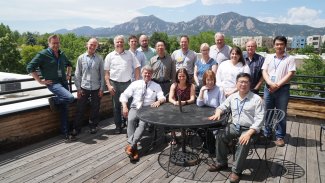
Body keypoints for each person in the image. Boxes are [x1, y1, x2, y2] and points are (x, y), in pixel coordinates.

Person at [207, 73, 265, 183]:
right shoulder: (233, 97)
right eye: (241, 82)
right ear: (237, 83)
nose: (243, 84)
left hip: (250, 130)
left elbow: (260, 119)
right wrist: (218, 112)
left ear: (250, 84)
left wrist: (249, 133)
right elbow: (222, 106)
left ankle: (236, 171)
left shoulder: (256, 99)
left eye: (246, 82)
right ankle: (221, 162)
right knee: (220, 135)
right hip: (234, 126)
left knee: (243, 141)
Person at [26, 34, 75, 140]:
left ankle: (66, 133)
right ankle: (54, 100)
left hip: (64, 83)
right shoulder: (42, 54)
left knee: (65, 108)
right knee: (70, 98)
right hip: (53, 83)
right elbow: (30, 67)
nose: (56, 45)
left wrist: (68, 74)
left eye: (58, 43)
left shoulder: (62, 54)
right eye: (54, 43)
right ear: (49, 43)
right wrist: (40, 81)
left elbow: (69, 64)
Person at [120, 65, 166, 161]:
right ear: (142, 73)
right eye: (145, 73)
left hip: (148, 109)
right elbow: (124, 94)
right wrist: (124, 106)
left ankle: (132, 146)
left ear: (152, 75)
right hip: (135, 107)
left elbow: (162, 97)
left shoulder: (156, 86)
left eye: (149, 73)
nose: (147, 75)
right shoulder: (135, 84)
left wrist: (159, 101)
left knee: (142, 124)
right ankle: (134, 147)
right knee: (131, 119)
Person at [262, 36, 296, 147]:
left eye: (281, 44)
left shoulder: (290, 58)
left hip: (283, 89)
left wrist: (277, 85)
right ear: (274, 45)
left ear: (285, 45)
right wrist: (270, 83)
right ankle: (266, 133)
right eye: (277, 44)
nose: (279, 46)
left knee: (282, 113)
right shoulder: (269, 57)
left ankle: (280, 136)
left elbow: (290, 74)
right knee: (268, 111)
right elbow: (264, 71)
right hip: (268, 88)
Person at [104, 35, 141, 134]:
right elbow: (106, 73)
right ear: (114, 44)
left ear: (123, 43)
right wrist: (108, 85)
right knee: (116, 107)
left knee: (129, 106)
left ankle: (130, 126)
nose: (119, 44)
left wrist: (136, 82)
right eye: (117, 42)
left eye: (121, 42)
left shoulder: (130, 54)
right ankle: (118, 126)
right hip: (114, 84)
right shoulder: (109, 56)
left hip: (128, 84)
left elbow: (137, 67)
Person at [72, 38, 105, 137]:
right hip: (84, 88)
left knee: (95, 108)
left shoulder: (99, 58)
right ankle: (76, 128)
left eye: (95, 45)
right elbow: (77, 74)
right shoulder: (81, 58)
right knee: (80, 109)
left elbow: (102, 75)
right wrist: (78, 88)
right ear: (87, 45)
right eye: (91, 44)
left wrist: (102, 88)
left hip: (96, 88)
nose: (92, 47)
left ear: (97, 47)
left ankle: (93, 126)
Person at [168, 68, 196, 144]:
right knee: (171, 116)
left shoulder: (191, 86)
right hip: (176, 106)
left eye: (183, 76)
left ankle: (184, 134)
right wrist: (174, 102)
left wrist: (185, 102)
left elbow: (192, 99)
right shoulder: (174, 85)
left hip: (188, 106)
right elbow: (170, 98)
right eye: (180, 76)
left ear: (186, 76)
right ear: (177, 76)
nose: (181, 78)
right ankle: (173, 136)